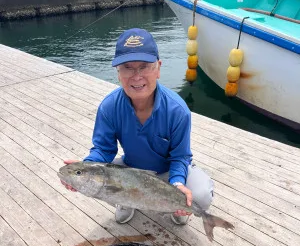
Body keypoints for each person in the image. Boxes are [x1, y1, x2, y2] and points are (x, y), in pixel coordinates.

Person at [62, 28, 214, 225]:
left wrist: (177, 183)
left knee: (201, 195)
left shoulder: (177, 110)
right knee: (96, 182)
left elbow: (180, 156)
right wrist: (85, 168)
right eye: (127, 67)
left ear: (158, 68)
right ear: (118, 73)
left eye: (144, 66)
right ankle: (126, 201)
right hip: (131, 170)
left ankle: (175, 205)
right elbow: (104, 149)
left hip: (168, 171)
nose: (136, 76)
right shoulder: (109, 107)